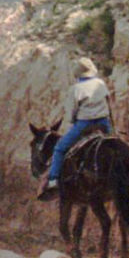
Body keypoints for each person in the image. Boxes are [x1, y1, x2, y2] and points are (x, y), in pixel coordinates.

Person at [40, 57, 111, 197]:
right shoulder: (100, 83)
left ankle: (53, 180)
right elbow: (108, 102)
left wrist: (71, 122)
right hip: (103, 122)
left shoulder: (76, 89)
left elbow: (71, 112)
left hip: (85, 124)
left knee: (60, 148)